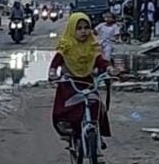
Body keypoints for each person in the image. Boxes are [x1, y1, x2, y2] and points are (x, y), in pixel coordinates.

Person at [48, 13, 115, 146]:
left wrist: (110, 69)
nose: (83, 31)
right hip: (69, 83)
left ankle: (96, 132)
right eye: (79, 28)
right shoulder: (66, 46)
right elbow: (56, 62)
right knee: (67, 109)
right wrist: (52, 73)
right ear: (72, 29)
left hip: (87, 82)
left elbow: (100, 61)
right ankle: (70, 132)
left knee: (96, 105)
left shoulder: (92, 46)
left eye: (86, 27)